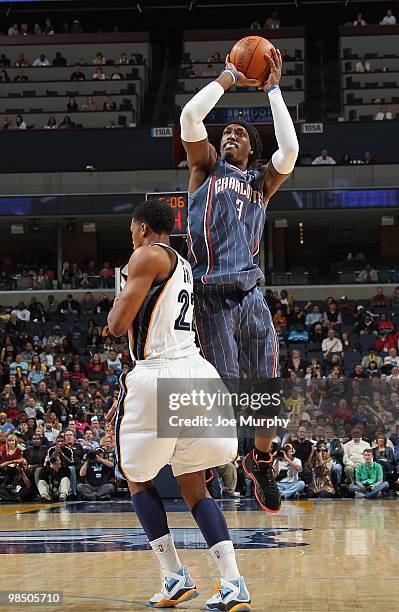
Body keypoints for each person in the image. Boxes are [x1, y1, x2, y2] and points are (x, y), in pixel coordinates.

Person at [107, 200, 249, 610]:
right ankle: (232, 582)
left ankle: (173, 575)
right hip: (197, 371)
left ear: (140, 227)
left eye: (131, 228)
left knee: (136, 476)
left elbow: (117, 326)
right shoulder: (182, 262)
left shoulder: (145, 254)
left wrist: (116, 306)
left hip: (160, 373)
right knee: (193, 482)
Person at [180, 46, 298, 516]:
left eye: (238, 134)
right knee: (225, 387)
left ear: (251, 149)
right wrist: (229, 76)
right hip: (210, 294)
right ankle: (211, 450)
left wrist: (271, 88)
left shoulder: (260, 184)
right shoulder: (205, 169)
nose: (230, 135)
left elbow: (289, 151)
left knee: (266, 384)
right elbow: (191, 116)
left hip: (249, 291)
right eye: (225, 132)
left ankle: (262, 459)